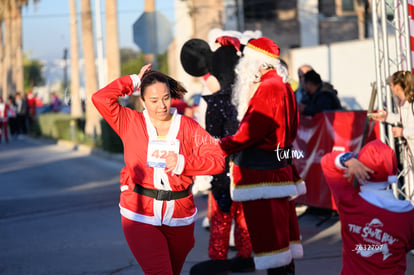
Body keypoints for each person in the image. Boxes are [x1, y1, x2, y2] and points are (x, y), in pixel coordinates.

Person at [91, 64, 225, 275]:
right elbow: (100, 98)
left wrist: (184, 163)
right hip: (139, 215)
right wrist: (133, 80)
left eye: (165, 98)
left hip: (180, 215)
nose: (161, 105)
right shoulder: (129, 122)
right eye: (153, 100)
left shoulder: (188, 127)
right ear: (142, 101)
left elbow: (217, 160)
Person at [219, 37, 306, 274]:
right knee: (280, 238)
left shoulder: (268, 88)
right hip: (278, 166)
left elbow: (250, 132)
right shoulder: (283, 86)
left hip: (261, 171)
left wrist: (220, 146)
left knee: (270, 241)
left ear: (257, 62)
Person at [182, 36, 254, 274]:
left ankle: (219, 257)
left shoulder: (218, 101)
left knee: (221, 212)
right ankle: (246, 254)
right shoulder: (248, 96)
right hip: (245, 164)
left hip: (224, 164)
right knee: (242, 210)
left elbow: (212, 135)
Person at [321, 139, 414, 274]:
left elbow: (327, 162)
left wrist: (347, 159)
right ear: (393, 171)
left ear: (359, 168)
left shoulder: (349, 201)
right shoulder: (408, 215)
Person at [370, 70, 414, 168]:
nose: (391, 88)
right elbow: (403, 119)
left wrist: (402, 132)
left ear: (397, 87)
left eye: (391, 85)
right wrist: (385, 117)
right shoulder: (404, 104)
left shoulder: (411, 104)